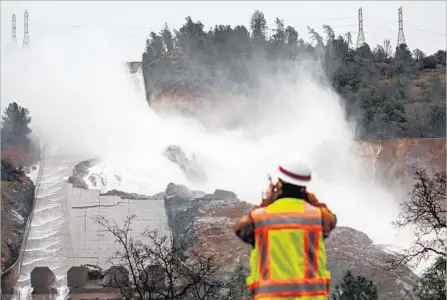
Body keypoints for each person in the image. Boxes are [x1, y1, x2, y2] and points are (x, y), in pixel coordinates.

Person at [233, 159, 337, 299]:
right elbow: (331, 220)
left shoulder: (260, 217)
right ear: (304, 187)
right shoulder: (318, 216)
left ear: (280, 183)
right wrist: (310, 199)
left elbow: (240, 229)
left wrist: (267, 201)